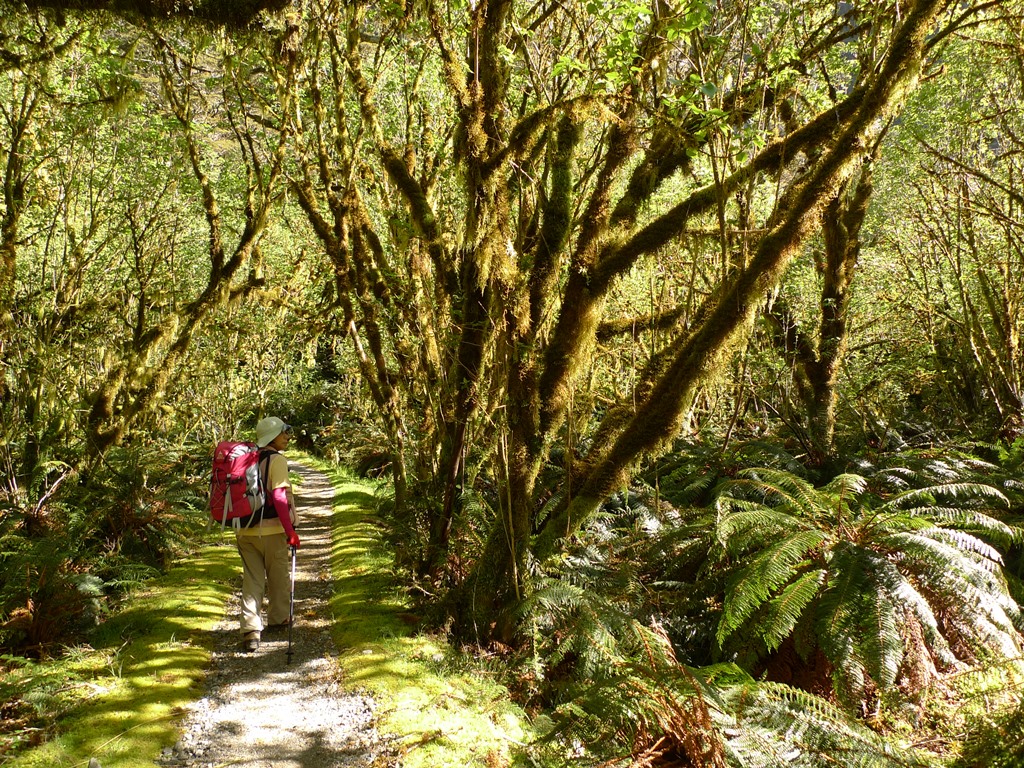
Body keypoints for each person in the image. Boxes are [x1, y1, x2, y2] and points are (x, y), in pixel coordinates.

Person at [236, 416, 301, 652]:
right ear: (272, 436)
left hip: (244, 529)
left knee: (252, 579)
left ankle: (251, 630)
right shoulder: (277, 461)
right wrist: (290, 531)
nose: (287, 436)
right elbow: (279, 498)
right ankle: (279, 618)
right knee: (278, 575)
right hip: (272, 529)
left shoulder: (245, 459)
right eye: (283, 432)